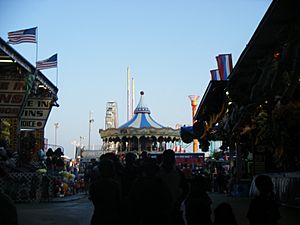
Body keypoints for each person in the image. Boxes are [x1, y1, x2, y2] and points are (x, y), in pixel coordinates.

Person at [156, 149, 189, 225]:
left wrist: (178, 201)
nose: (169, 160)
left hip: (174, 206)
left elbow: (185, 189)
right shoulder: (157, 172)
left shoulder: (178, 173)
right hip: (159, 208)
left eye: (171, 158)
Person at [89, 159, 122, 225]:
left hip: (98, 217)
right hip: (112, 218)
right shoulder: (115, 185)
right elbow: (119, 201)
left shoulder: (94, 185)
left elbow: (94, 200)